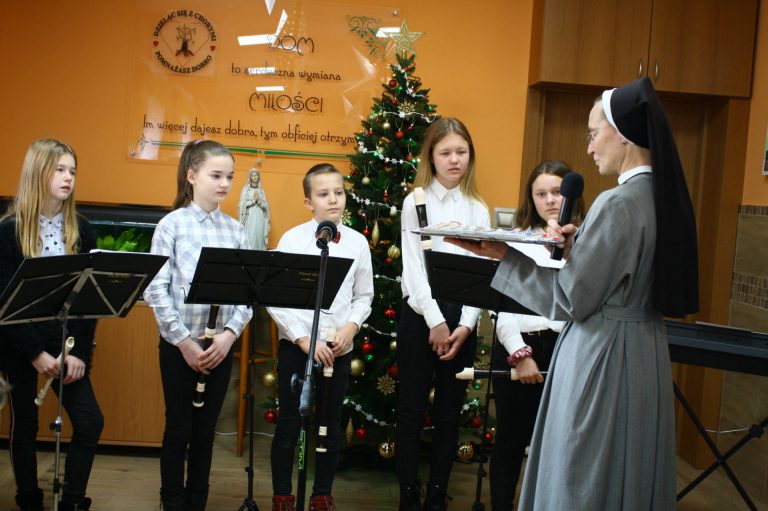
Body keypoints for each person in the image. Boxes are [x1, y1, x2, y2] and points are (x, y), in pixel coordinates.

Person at [449, 77, 698, 510]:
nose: (590, 147)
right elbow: (624, 273)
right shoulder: (660, 194)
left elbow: (570, 300)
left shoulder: (617, 203)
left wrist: (503, 254)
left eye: (594, 133)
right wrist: (574, 248)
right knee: (628, 465)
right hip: (644, 350)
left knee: (584, 470)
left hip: (604, 352)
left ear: (623, 134)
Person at [143, 139, 253, 511]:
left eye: (229, 177)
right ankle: (172, 501)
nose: (225, 183)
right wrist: (184, 342)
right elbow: (156, 290)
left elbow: (247, 295)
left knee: (205, 433)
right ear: (192, 176)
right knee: (178, 429)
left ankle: (197, 502)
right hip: (180, 348)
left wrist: (228, 336)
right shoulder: (171, 225)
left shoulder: (236, 231)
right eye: (216, 175)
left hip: (218, 349)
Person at [0, 139, 103, 511]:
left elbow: (88, 304)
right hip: (19, 346)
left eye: (72, 170)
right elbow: (4, 305)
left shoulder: (83, 230)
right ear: (37, 173)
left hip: (66, 346)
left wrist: (79, 355)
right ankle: (29, 499)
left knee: (89, 421)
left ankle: (73, 501)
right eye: (59, 169)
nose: (68, 177)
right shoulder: (7, 232)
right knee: (25, 424)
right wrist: (36, 354)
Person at [266, 163, 373, 511]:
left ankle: (322, 495)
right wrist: (303, 340)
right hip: (298, 348)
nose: (333, 200)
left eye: (338, 192)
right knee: (290, 422)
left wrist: (350, 328)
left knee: (330, 423)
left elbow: (364, 296)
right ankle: (283, 495)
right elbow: (276, 298)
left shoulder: (357, 243)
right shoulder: (292, 240)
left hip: (337, 349)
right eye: (323, 194)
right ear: (308, 202)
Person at [396, 117, 490, 511]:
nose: (454, 160)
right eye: (445, 152)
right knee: (411, 410)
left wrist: (465, 325)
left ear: (470, 155)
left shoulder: (477, 208)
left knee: (449, 413)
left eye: (461, 152)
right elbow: (413, 269)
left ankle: (437, 492)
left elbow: (481, 273)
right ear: (431, 157)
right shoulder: (415, 202)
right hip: (420, 314)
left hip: (461, 317)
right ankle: (408, 494)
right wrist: (435, 320)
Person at [489, 160, 584, 511]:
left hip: (565, 349)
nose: (550, 200)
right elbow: (500, 309)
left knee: (561, 442)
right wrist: (521, 354)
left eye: (557, 192)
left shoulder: (586, 242)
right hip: (518, 349)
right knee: (510, 442)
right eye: (541, 194)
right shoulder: (516, 241)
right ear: (531, 199)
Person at [238, 167, 270, 250]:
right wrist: (253, 201)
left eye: (256, 175)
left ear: (258, 176)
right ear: (250, 177)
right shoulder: (246, 189)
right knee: (250, 236)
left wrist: (259, 202)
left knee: (259, 236)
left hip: (260, 217)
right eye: (253, 175)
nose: (255, 177)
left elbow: (266, 207)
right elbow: (241, 205)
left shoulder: (261, 190)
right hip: (250, 217)